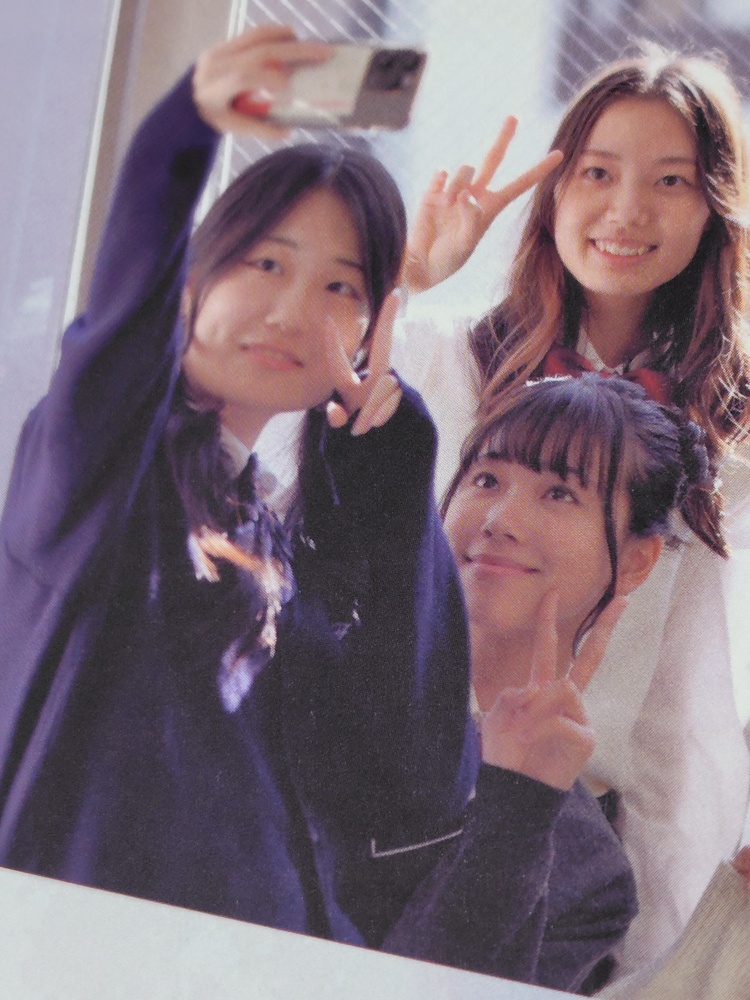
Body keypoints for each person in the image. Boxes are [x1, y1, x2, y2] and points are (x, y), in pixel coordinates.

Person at [0, 25, 478, 948]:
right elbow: (116, 330)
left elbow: (419, 774)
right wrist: (185, 127)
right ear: (189, 281)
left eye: (341, 287)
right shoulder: (101, 476)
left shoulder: (282, 541)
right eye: (266, 262)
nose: (293, 311)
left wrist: (390, 465)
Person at [394, 44, 750, 975]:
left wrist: (661, 946)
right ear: (553, 192)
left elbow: (686, 711)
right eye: (597, 172)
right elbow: (291, 464)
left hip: (577, 834)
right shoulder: (444, 363)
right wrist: (406, 275)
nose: (627, 211)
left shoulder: (730, 443)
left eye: (670, 181)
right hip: (397, 786)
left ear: (714, 207)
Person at [384, 372, 717, 993]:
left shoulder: (592, 877)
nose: (500, 520)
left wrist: (519, 803)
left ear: (637, 560)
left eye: (560, 493)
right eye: (487, 480)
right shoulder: (336, 691)